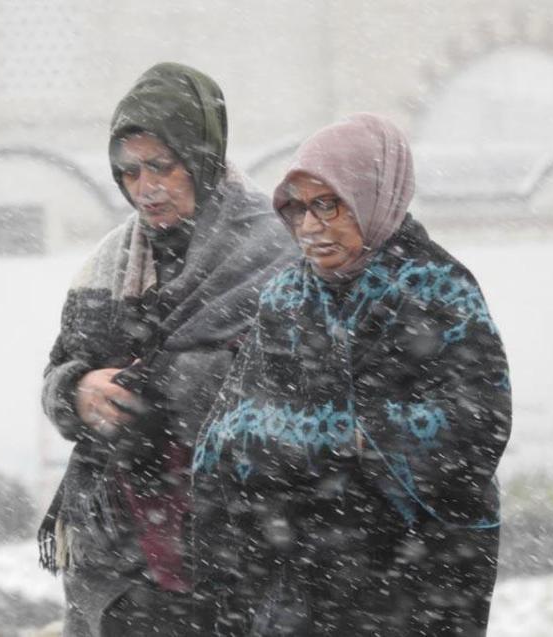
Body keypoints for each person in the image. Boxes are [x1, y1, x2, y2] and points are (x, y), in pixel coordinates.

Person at [192, 113, 512, 636]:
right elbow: (228, 434)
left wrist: (343, 438)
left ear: (373, 195)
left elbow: (477, 427)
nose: (309, 227)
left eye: (327, 204)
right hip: (301, 574)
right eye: (295, 209)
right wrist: (335, 440)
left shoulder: (438, 291)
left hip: (418, 578)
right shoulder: (286, 298)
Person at [38, 62, 296, 637]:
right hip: (120, 550)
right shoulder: (109, 264)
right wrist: (78, 394)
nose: (144, 187)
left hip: (238, 542)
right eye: (128, 172)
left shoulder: (272, 251)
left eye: (162, 165)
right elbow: (61, 368)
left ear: (201, 157)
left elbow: (289, 384)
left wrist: (171, 387)